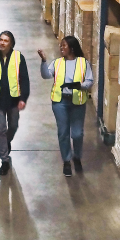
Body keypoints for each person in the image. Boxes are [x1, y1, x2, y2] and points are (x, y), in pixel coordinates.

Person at [38, 36, 94, 177]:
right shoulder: (57, 63)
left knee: (77, 133)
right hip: (60, 102)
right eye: (60, 45)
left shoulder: (83, 63)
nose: (61, 48)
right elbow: (46, 75)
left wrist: (80, 86)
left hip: (77, 102)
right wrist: (43, 61)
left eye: (64, 45)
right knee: (63, 133)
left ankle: (77, 157)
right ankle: (67, 161)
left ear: (72, 48)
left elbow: (90, 80)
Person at [0, 30, 30, 176]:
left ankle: (6, 141)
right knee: (1, 129)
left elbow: (24, 79)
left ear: (11, 43)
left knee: (13, 126)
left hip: (14, 99)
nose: (2, 43)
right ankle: (4, 160)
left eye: (6, 40)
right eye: (1, 40)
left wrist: (23, 98)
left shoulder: (18, 57)